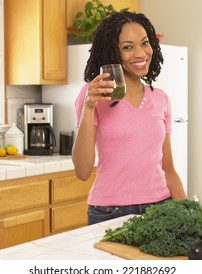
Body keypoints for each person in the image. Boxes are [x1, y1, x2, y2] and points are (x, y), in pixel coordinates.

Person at [72, 11, 187, 225]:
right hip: (109, 212)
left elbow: (168, 168)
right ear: (112, 53)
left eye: (144, 43)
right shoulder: (92, 95)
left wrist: (189, 214)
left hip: (160, 208)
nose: (140, 53)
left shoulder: (161, 99)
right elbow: (82, 170)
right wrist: (89, 106)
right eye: (127, 47)